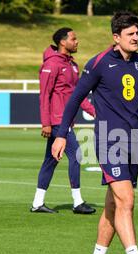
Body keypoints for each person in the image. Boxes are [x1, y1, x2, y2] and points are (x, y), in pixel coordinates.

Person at [51, 12, 138, 254]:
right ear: (116, 37)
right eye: (130, 34)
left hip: (135, 141)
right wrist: (61, 134)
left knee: (113, 205)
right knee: (126, 200)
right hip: (109, 139)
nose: (136, 38)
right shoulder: (98, 63)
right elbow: (74, 99)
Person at [30, 27, 96, 215]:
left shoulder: (73, 65)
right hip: (58, 120)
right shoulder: (52, 64)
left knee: (50, 161)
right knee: (76, 155)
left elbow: (78, 94)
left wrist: (94, 111)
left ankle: (37, 203)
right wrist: (46, 123)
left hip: (65, 120)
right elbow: (45, 95)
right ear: (63, 42)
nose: (77, 42)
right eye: (74, 39)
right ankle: (77, 202)